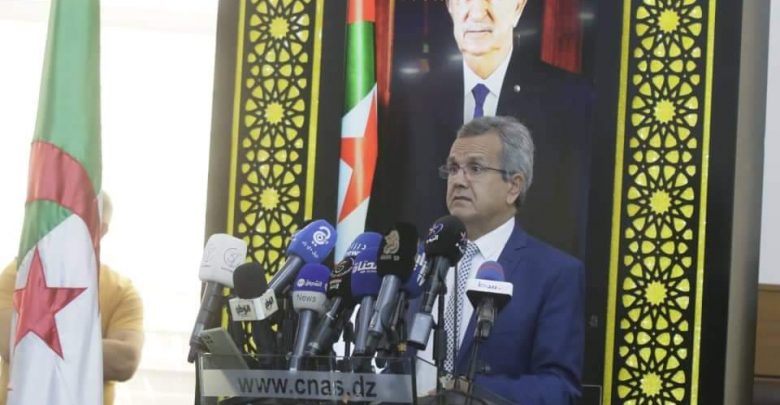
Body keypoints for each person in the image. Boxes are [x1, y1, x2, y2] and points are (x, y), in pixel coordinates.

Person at [369, 0, 593, 257]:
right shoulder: (413, 101)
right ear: (450, 6)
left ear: (518, 7)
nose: (476, 11)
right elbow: (385, 220)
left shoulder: (569, 102)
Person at [415, 116, 585, 404]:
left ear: (513, 186)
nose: (458, 180)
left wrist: (471, 392)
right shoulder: (418, 260)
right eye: (453, 168)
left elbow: (559, 389)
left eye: (475, 168)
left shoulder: (554, 274)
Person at [0, 192, 144, 405]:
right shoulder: (20, 274)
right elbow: (9, 343)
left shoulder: (122, 291)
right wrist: (91, 352)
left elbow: (126, 361)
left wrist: (39, 338)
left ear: (102, 229)